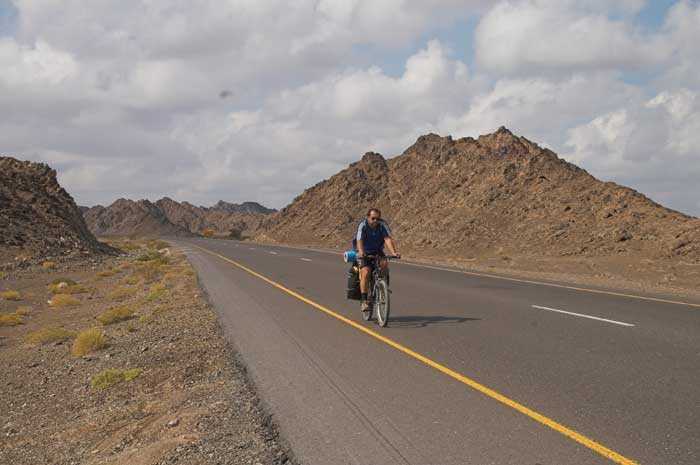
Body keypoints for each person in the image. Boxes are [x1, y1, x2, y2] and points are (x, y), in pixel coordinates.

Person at [355, 208, 400, 312]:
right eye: (373, 218)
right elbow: (359, 239)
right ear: (368, 217)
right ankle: (364, 300)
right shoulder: (363, 224)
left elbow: (387, 238)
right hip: (364, 251)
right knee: (366, 272)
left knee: (384, 263)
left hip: (377, 251)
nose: (376, 221)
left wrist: (394, 252)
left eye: (378, 219)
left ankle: (383, 287)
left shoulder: (382, 224)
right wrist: (361, 251)